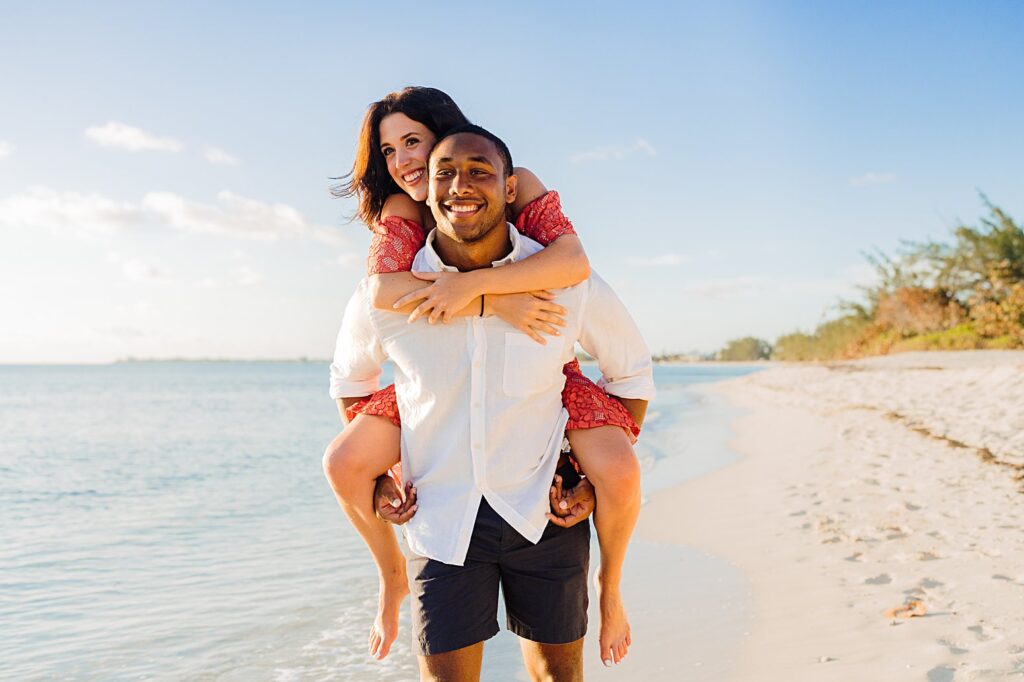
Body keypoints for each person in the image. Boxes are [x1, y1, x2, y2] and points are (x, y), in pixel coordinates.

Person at [323, 87, 645, 666]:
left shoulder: (525, 211)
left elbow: (576, 268)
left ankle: (611, 587)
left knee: (559, 667)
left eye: (414, 142)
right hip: (440, 511)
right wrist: (389, 469)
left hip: (539, 495)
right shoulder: (399, 227)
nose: (406, 163)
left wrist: (587, 473)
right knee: (343, 462)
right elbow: (373, 311)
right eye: (390, 151)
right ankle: (390, 579)